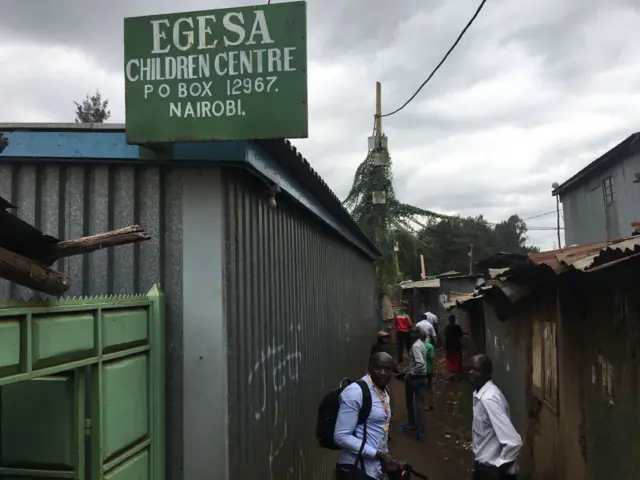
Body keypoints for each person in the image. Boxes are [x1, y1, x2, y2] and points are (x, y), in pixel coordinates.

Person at [334, 352, 400, 479]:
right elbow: (341, 437)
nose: (382, 372)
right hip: (354, 469)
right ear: (369, 368)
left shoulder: (384, 391)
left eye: (387, 369)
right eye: (378, 367)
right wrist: (377, 454)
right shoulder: (355, 392)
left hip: (374, 469)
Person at [468, 355, 522, 480]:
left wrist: (496, 469)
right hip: (484, 468)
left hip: (492, 471)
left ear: (487, 374)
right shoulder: (481, 395)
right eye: (469, 368)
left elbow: (513, 442)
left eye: (476, 370)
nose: (471, 372)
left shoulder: (489, 399)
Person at [400, 327, 428, 441]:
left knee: (410, 402)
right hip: (423, 377)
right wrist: (406, 369)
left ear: (415, 335)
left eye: (412, 333)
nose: (410, 335)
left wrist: (410, 373)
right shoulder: (422, 344)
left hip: (415, 379)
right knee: (419, 405)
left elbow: (419, 363)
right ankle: (420, 430)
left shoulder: (415, 346)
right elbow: (415, 362)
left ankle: (412, 424)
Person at [444, 314, 464, 379]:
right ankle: (457, 372)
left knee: (450, 359)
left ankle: (452, 372)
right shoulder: (457, 327)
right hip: (457, 346)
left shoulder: (447, 327)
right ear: (454, 320)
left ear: (449, 320)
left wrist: (446, 347)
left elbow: (446, 338)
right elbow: (461, 336)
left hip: (449, 346)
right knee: (457, 359)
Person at [423, 335, 436, 410]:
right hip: (429, 369)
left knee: (423, 387)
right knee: (429, 387)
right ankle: (431, 404)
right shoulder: (430, 346)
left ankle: (425, 405)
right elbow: (432, 358)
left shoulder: (416, 346)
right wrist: (434, 370)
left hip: (420, 370)